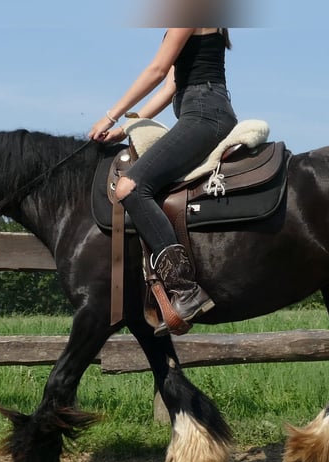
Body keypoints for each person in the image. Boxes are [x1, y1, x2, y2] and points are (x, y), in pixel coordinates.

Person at [88, 27, 237, 332]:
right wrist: (131, 123)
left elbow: (156, 71)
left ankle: (185, 289)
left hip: (204, 114)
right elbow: (171, 84)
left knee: (131, 187)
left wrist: (111, 115)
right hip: (201, 110)